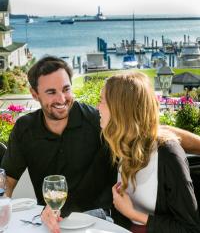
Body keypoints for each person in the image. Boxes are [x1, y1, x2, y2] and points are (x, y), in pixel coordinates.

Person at [1, 56, 200, 233]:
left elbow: (153, 132)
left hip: (103, 220)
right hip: (56, 219)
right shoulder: (25, 128)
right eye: (51, 92)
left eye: (66, 89)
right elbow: (6, 181)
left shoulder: (98, 123)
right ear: (34, 94)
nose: (61, 99)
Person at [98, 72, 200, 233]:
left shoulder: (168, 154)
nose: (97, 107)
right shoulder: (121, 146)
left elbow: (191, 228)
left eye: (101, 101)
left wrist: (134, 214)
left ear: (120, 109)